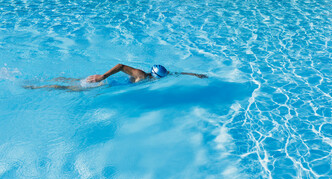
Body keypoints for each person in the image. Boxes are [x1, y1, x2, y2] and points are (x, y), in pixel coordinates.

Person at [24, 64, 208, 91]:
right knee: (70, 89)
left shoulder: (154, 75)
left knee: (70, 81)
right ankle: (36, 87)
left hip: (105, 82)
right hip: (102, 82)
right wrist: (102, 77)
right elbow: (120, 65)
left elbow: (176, 74)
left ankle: (39, 81)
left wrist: (195, 74)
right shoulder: (141, 76)